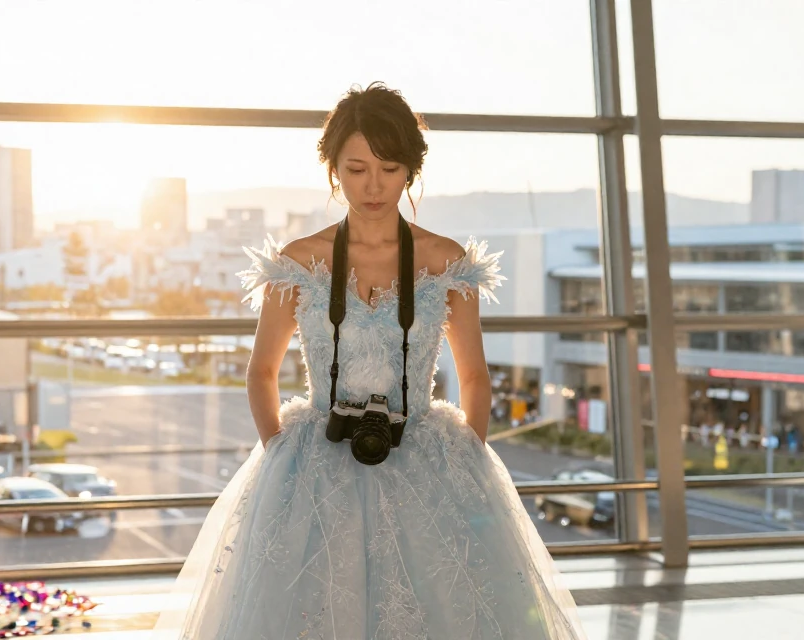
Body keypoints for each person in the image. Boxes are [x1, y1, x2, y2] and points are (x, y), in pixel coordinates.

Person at [153, 83, 585, 639]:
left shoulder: (446, 262)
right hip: (316, 460)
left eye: (389, 167)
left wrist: (465, 463)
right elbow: (260, 373)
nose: (374, 186)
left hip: (426, 457)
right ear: (332, 169)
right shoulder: (298, 263)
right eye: (356, 169)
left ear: (412, 168)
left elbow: (475, 377)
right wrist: (284, 455)